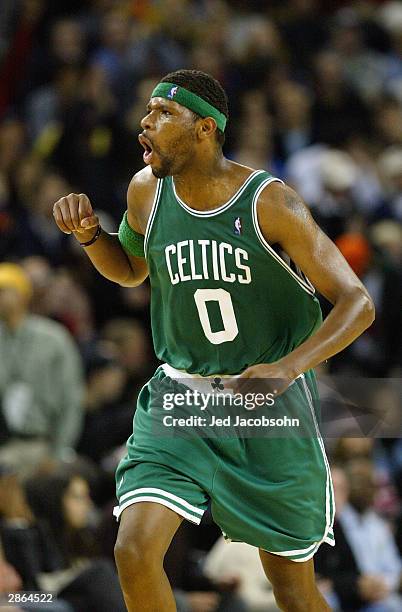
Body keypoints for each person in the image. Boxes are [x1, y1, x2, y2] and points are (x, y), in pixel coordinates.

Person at [52, 69, 375, 612]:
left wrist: (289, 367)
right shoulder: (143, 191)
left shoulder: (269, 202)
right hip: (181, 395)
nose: (145, 122)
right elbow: (132, 269)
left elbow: (358, 304)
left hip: (265, 404)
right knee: (133, 550)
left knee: (293, 589)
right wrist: (90, 238)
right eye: (147, 111)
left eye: (163, 113)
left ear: (205, 129)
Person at [0, 263, 84, 476]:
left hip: (42, 444)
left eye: (3, 291)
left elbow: (71, 397)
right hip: (6, 444)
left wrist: (60, 451)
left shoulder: (53, 338)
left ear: (21, 294)